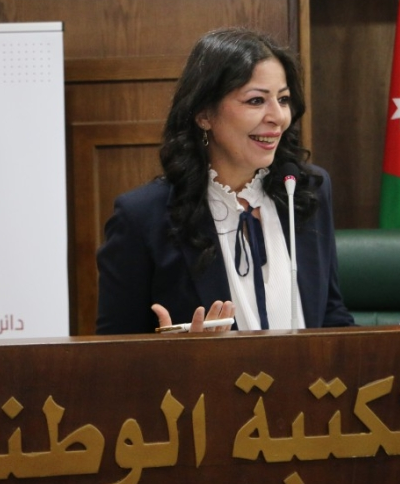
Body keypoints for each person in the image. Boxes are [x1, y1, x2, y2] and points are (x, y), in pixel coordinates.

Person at [96, 27, 354, 335]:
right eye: (256, 100)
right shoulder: (142, 217)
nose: (278, 117)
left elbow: (331, 315)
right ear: (204, 114)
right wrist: (177, 355)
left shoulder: (305, 190)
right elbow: (113, 349)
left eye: (283, 99)